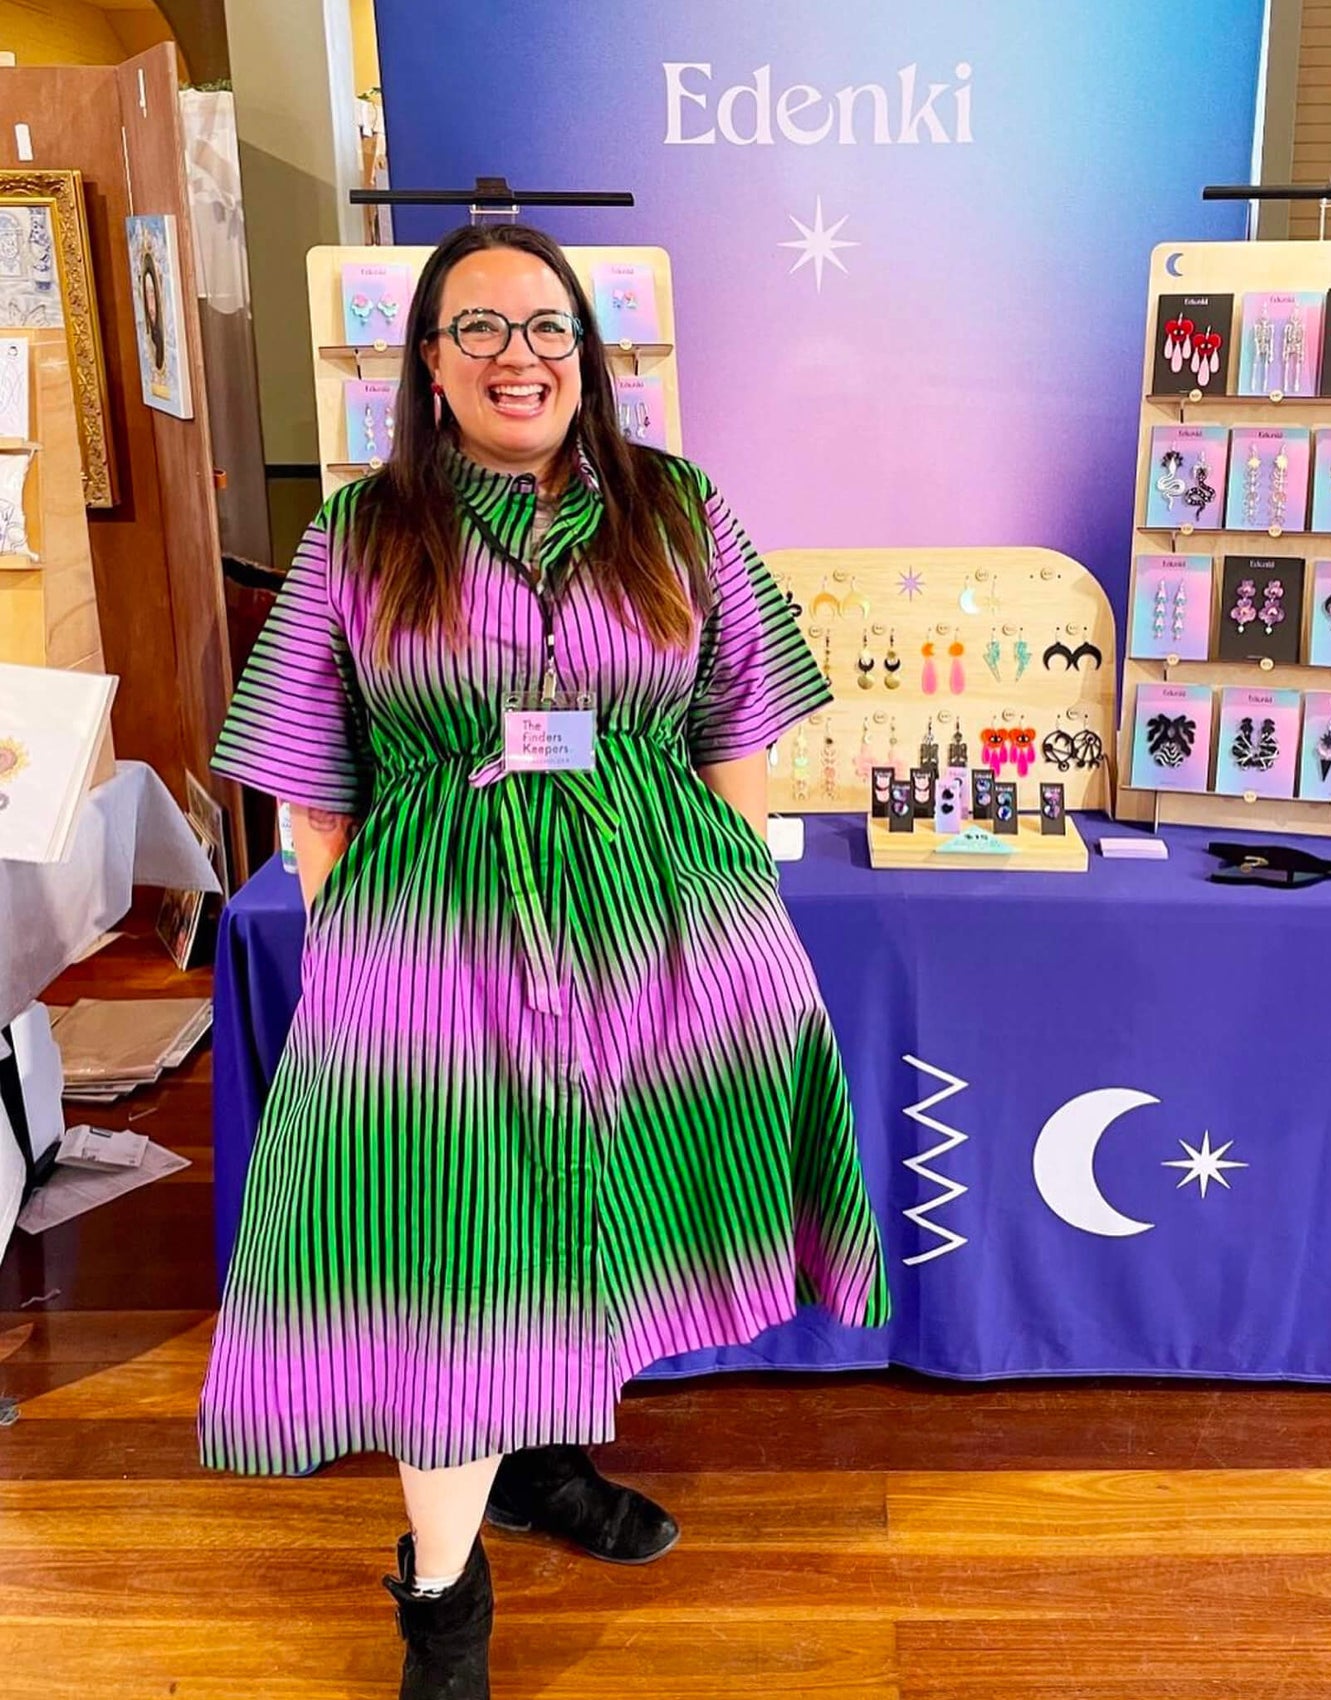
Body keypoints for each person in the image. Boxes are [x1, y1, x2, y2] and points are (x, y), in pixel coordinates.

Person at [206, 222, 890, 1698]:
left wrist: (733, 912)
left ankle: (539, 1459)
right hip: (440, 917)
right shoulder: (358, 533)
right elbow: (308, 780)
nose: (520, 356)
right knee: (459, 1250)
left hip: (656, 905)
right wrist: (347, 945)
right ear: (429, 367)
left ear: (588, 353)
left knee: (602, 1213)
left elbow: (737, 732)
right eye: (480, 331)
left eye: (547, 329)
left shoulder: (677, 507)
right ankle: (444, 1606)